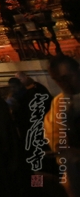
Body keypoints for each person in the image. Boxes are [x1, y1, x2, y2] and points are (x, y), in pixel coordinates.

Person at [44, 55, 80, 197]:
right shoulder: (58, 102)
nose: (63, 84)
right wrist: (59, 147)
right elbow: (53, 130)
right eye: (57, 80)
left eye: (66, 78)